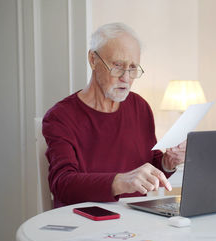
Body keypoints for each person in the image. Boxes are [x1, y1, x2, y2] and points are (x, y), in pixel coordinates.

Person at [42, 22, 186, 208]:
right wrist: (120, 182)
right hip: (84, 220)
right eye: (118, 65)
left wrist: (168, 163)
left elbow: (150, 164)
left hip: (136, 221)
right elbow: (62, 184)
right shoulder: (60, 117)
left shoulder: (139, 107)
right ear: (93, 60)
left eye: (133, 68)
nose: (126, 78)